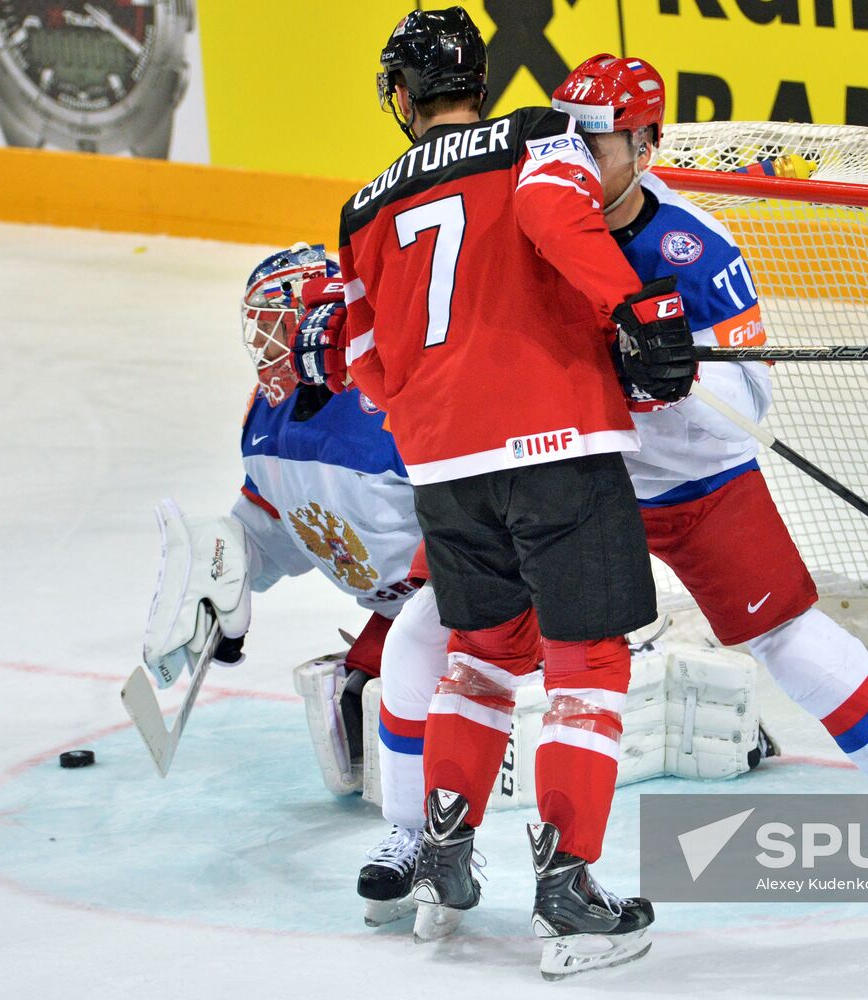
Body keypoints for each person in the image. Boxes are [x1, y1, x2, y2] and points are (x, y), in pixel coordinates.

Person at [546, 53, 868, 900]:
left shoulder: (695, 248)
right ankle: (428, 833)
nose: (578, 159)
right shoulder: (538, 225)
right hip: (584, 480)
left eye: (600, 140)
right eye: (568, 136)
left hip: (699, 487)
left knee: (798, 645)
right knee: (473, 627)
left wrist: (679, 378)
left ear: (647, 145)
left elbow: (750, 398)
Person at [333, 8, 696, 978]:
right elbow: (550, 218)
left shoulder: (361, 206)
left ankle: (443, 861)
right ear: (478, 84)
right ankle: (568, 889)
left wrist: (434, 409)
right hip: (554, 440)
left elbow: (361, 353)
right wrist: (632, 306)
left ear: (404, 97)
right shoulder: (540, 134)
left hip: (443, 468)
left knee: (483, 657)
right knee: (586, 660)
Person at [141, 243, 426, 797]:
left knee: (419, 710)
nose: (263, 348)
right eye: (258, 331)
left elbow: (485, 517)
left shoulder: (395, 396)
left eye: (275, 328)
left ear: (315, 322)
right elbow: (272, 525)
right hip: (405, 612)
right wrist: (221, 580)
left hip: (476, 600)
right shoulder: (265, 417)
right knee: (358, 711)